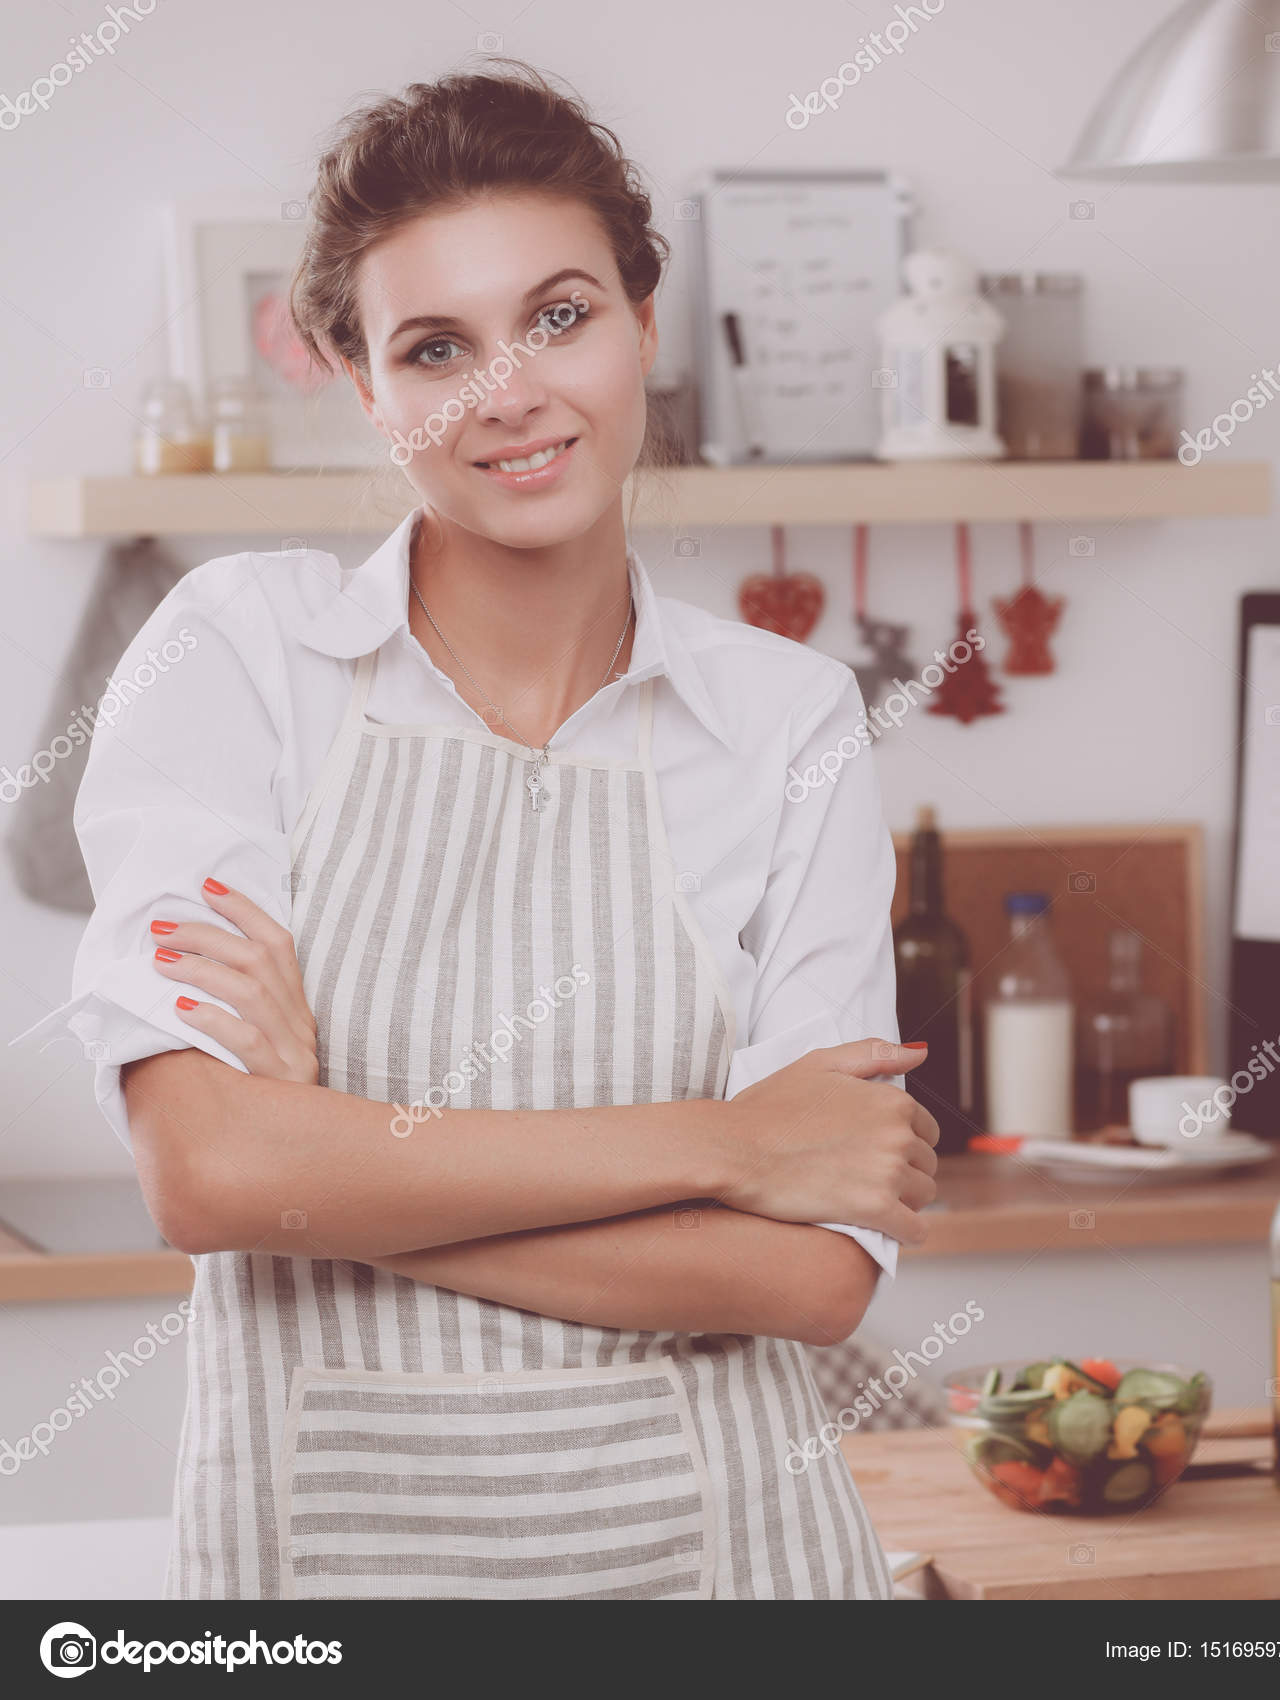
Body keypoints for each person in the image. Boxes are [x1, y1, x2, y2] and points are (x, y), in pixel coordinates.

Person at [17, 61, 937, 1600]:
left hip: (735, 1574)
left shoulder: (791, 722)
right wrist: (729, 1146)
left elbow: (812, 1275)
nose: (507, 393)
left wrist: (324, 1169)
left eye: (561, 316)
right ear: (362, 385)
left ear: (644, 321)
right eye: (434, 347)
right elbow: (206, 1177)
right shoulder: (238, 654)